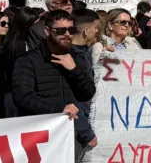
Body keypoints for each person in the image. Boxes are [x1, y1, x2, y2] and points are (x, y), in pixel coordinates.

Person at [12, 10, 97, 160]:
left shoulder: (76, 58)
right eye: (60, 30)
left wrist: (74, 70)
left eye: (70, 30)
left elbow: (88, 93)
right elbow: (23, 96)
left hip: (71, 135)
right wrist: (59, 109)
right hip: (39, 137)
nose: (67, 34)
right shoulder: (28, 60)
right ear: (47, 31)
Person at [69, 9, 100, 152]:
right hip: (74, 127)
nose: (97, 31)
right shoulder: (71, 58)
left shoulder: (83, 51)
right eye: (96, 28)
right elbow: (72, 98)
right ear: (86, 31)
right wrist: (85, 131)